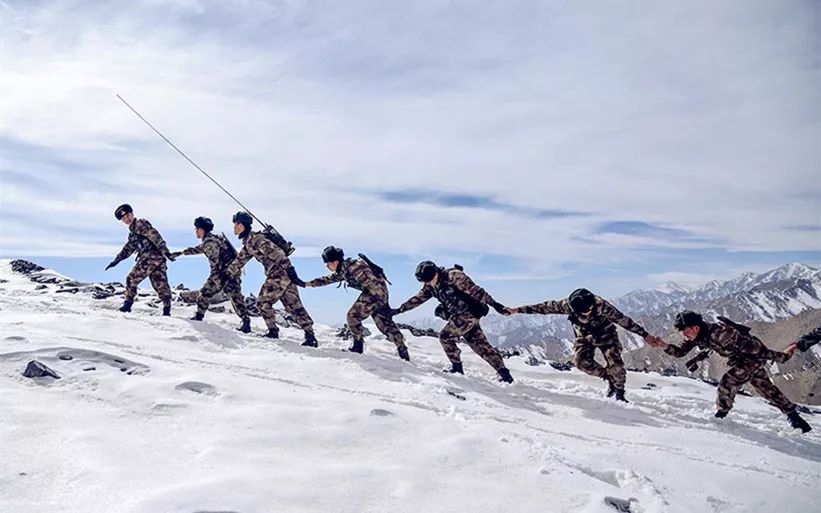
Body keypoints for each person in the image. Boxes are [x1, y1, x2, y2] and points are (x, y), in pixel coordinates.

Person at [647, 311, 811, 433]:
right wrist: (663, 345)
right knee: (765, 388)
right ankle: (797, 420)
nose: (684, 335)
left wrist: (780, 357)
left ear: (695, 327)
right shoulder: (696, 335)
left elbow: (757, 349)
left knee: (728, 382)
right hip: (741, 359)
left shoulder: (722, 335)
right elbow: (681, 352)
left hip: (753, 357)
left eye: (686, 331)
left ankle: (720, 417)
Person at [504, 288, 663, 402]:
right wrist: (517, 310)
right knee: (580, 362)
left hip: (606, 334)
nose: (582, 315)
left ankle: (619, 391)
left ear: (592, 307)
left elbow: (624, 321)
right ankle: (609, 378)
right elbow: (544, 308)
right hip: (584, 335)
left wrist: (646, 335)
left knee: (616, 364)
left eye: (585, 313)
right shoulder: (567, 305)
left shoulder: (602, 306)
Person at [392, 261, 513, 383]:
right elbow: (418, 299)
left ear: (435, 273)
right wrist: (400, 310)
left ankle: (457, 368)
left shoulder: (454, 276)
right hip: (463, 315)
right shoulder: (431, 285)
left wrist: (495, 305)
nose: (427, 284)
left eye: (428, 280)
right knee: (480, 345)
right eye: (424, 281)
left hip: (468, 314)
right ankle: (505, 375)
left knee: (445, 336)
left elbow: (477, 291)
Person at [225, 212, 317, 347]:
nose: (233, 227)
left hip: (279, 274)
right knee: (293, 306)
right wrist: (226, 274)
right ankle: (310, 336)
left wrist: (291, 270)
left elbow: (278, 253)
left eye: (235, 224)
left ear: (240, 224)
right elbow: (239, 261)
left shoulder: (257, 239)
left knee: (262, 302)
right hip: (284, 274)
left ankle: (273, 331)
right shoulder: (249, 243)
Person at [303, 246, 410, 360]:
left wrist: (380, 303)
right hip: (378, 294)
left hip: (375, 294)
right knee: (384, 324)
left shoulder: (355, 268)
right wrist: (305, 284)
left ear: (335, 262)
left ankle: (357, 346)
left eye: (328, 263)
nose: (327, 266)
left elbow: (374, 285)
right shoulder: (344, 268)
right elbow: (327, 279)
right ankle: (402, 349)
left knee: (353, 316)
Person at [169, 217, 251, 332]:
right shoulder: (212, 239)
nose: (196, 231)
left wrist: (218, 279)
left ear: (202, 229)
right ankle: (200, 316)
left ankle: (245, 322)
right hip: (229, 273)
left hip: (225, 274)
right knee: (221, 296)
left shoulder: (210, 242)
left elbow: (215, 263)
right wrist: (180, 253)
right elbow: (198, 249)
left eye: (197, 229)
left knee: (225, 295)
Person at [106, 204, 175, 316]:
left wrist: (165, 250)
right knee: (160, 284)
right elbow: (128, 248)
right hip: (158, 258)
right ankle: (167, 310)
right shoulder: (133, 233)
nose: (126, 219)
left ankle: (127, 305)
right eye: (123, 218)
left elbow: (154, 235)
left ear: (132, 214)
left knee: (131, 278)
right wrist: (117, 260)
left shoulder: (140, 224)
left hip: (150, 256)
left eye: (128, 215)